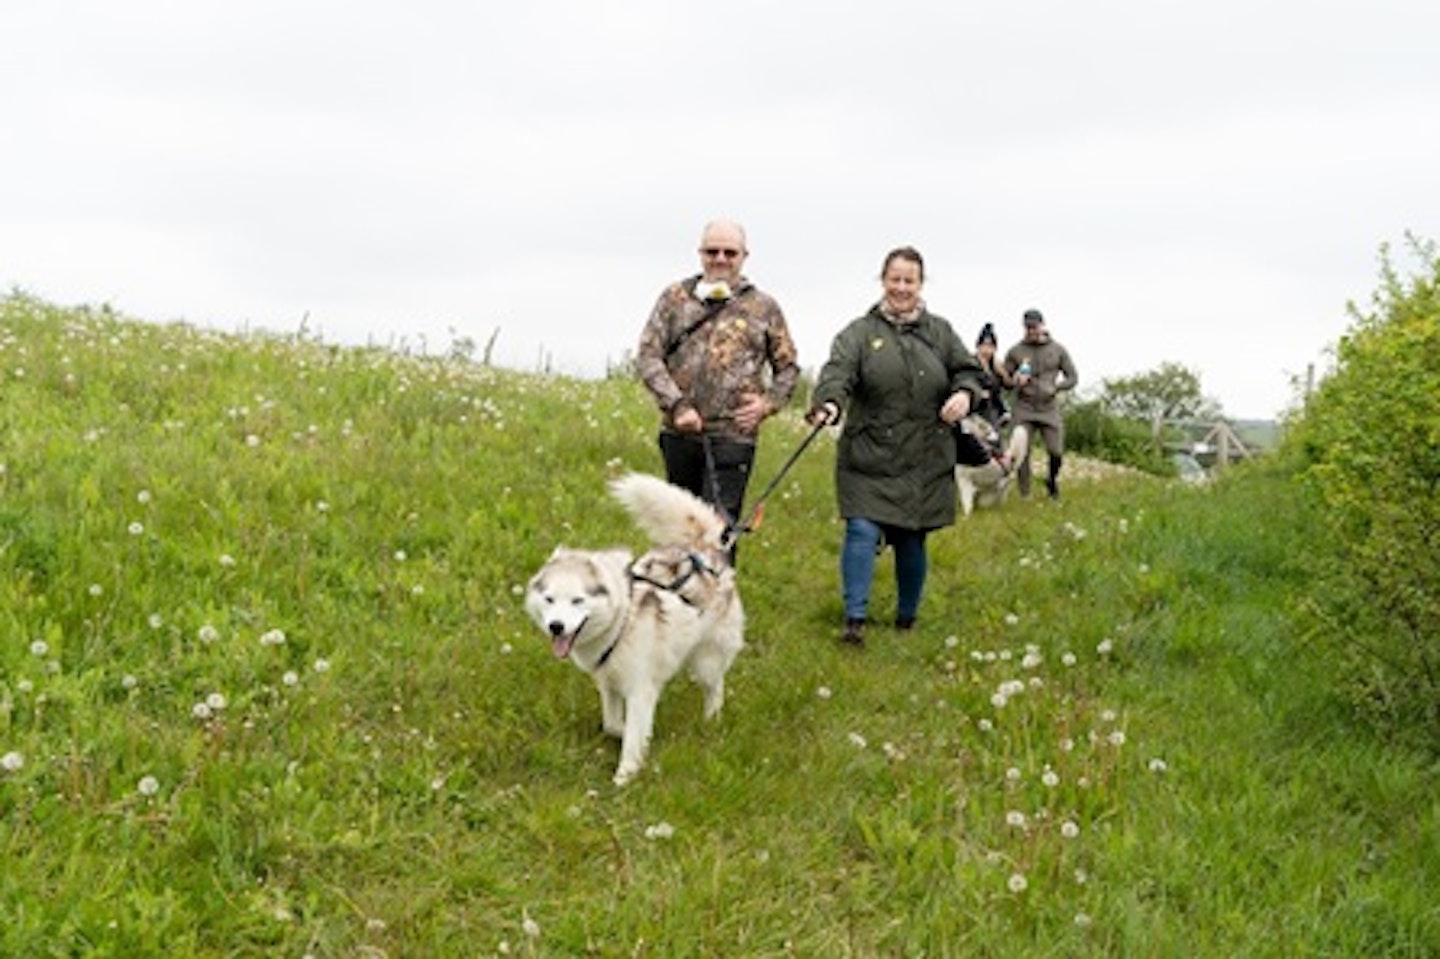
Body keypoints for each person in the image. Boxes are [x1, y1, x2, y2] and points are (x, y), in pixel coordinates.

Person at [806, 246, 983, 646]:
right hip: (869, 454)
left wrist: (965, 395)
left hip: (925, 455)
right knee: (861, 530)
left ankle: (907, 619)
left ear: (921, 284)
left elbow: (969, 372)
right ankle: (854, 621)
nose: (902, 287)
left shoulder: (941, 332)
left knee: (911, 538)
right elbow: (838, 373)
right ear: (882, 281)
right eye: (895, 279)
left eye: (910, 280)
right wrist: (829, 403)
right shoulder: (858, 333)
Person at [636, 219, 800, 546]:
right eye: (713, 251)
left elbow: (789, 368)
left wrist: (767, 404)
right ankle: (676, 596)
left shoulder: (763, 307)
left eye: (730, 252)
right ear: (700, 253)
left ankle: (717, 595)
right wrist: (677, 404)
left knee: (718, 530)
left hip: (733, 437)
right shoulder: (674, 298)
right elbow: (647, 356)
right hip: (680, 433)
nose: (721, 259)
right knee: (679, 528)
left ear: (744, 256)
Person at [1003, 308, 1078, 499]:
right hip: (1023, 407)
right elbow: (1004, 381)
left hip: (1049, 407)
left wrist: (1058, 387)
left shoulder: (1058, 350)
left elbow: (1073, 377)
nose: (1031, 331)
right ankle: (1025, 494)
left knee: (1056, 451)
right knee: (1021, 453)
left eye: (1035, 327)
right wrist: (1014, 380)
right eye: (1028, 328)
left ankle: (1052, 481)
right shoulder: (1015, 351)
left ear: (1043, 325)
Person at [952, 322, 1012, 471]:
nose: (987, 350)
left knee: (995, 437)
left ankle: (999, 467)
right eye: (984, 346)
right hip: (974, 408)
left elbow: (1004, 388)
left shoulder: (996, 367)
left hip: (992, 409)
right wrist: (978, 392)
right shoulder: (970, 363)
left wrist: (1004, 410)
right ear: (978, 346)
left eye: (990, 346)